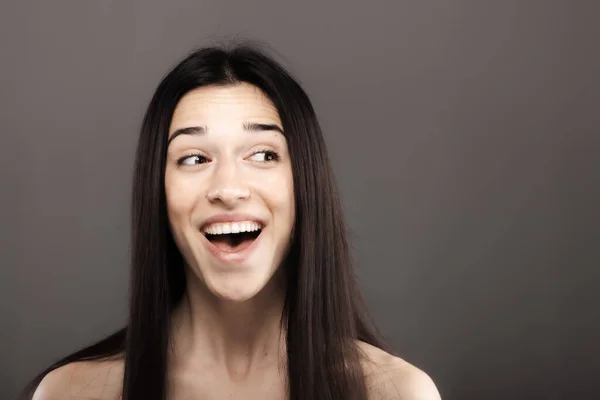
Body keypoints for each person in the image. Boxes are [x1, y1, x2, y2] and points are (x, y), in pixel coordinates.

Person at [21, 43, 441, 400]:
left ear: (304, 185)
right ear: (158, 191)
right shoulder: (72, 392)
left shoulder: (397, 392)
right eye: (194, 158)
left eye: (262, 155)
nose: (228, 187)